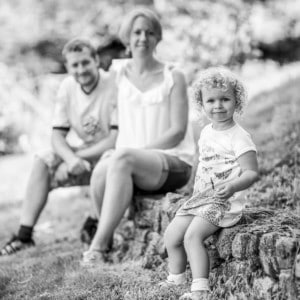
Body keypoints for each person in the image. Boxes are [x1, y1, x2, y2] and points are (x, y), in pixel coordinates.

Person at [81, 7, 196, 265]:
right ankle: (109, 240)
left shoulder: (173, 76)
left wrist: (137, 152)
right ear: (127, 37)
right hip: (131, 161)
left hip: (174, 161)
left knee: (121, 159)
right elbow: (95, 101)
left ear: (158, 38)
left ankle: (97, 248)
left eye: (149, 32)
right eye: (137, 32)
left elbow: (177, 131)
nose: (143, 37)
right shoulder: (117, 74)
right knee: (101, 170)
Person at [0, 38, 118, 256]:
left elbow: (114, 138)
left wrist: (78, 156)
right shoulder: (67, 86)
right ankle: (24, 235)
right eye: (75, 65)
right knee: (43, 160)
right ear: (67, 67)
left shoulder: (113, 83)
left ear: (96, 60)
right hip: (81, 154)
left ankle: (95, 221)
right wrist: (71, 160)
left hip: (112, 154)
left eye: (85, 62)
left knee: (108, 158)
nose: (80, 69)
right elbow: (57, 136)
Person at [161, 67, 259, 300]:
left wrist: (234, 186)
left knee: (191, 237)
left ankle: (200, 289)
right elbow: (203, 165)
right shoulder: (206, 131)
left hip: (224, 203)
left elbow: (252, 173)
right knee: (171, 236)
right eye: (211, 100)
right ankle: (176, 279)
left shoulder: (239, 137)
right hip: (201, 199)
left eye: (225, 99)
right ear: (202, 104)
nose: (218, 106)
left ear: (237, 101)